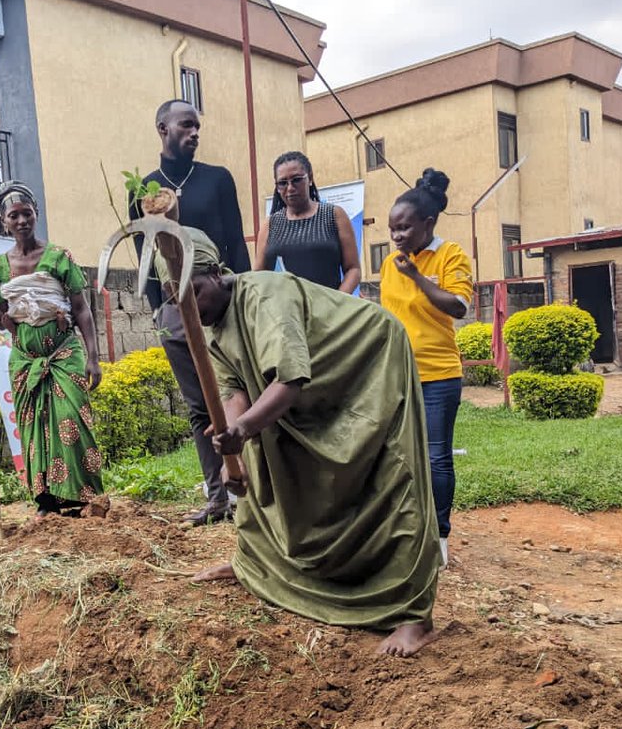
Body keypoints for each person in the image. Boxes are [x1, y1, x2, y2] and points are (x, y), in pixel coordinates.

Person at [170, 230, 441, 656]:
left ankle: (413, 617)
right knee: (264, 466)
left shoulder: (264, 298)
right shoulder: (206, 324)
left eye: (194, 292)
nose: (189, 307)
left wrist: (241, 430)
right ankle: (253, 566)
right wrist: (233, 449)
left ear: (217, 275)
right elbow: (234, 392)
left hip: (367, 361)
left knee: (392, 474)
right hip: (307, 390)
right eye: (176, 300)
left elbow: (290, 379)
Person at [132, 99, 251, 526]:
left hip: (222, 308)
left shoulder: (218, 180)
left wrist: (243, 295)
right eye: (186, 125)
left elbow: (236, 243)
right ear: (162, 128)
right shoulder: (144, 190)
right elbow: (144, 257)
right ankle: (217, 498)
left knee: (238, 394)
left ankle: (249, 488)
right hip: (174, 312)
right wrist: (159, 313)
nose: (194, 132)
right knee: (199, 407)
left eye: (197, 126)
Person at [0, 183, 104, 518]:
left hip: (64, 354)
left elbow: (81, 308)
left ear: (36, 215)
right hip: (25, 359)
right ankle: (47, 503)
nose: (22, 220)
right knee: (33, 427)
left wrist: (94, 357)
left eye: (27, 213)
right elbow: (1, 322)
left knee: (71, 419)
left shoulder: (59, 257)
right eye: (15, 215)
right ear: (4, 221)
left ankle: (83, 498)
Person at [379, 169, 473, 567]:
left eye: (404, 228)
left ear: (427, 223)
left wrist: (416, 275)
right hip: (396, 374)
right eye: (392, 229)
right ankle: (405, 530)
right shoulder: (389, 264)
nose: (397, 236)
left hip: (438, 375)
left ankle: (440, 535)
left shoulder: (450, 255)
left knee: (436, 457)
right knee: (396, 454)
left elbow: (459, 307)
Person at [256, 151, 361, 293]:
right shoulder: (270, 225)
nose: (290, 188)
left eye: (297, 180)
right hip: (286, 312)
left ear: (310, 178)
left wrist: (336, 303)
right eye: (282, 183)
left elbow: (353, 269)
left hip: (330, 309)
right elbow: (258, 277)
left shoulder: (334, 215)